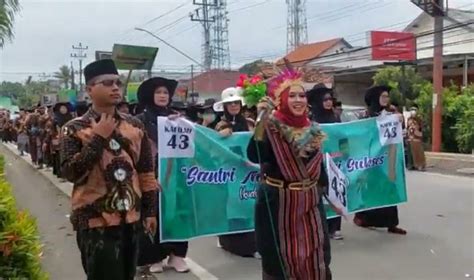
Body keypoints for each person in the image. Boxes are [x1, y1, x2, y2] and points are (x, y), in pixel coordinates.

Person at [60, 59, 158, 280]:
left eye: (117, 82)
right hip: (95, 222)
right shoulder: (74, 128)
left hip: (132, 219)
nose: (115, 87)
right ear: (89, 90)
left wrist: (150, 211)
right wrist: (99, 138)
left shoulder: (135, 126)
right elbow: (69, 172)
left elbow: (146, 171)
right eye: (107, 83)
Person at [247, 67, 331, 280]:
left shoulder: (313, 129)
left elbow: (318, 167)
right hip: (277, 202)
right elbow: (255, 155)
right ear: (282, 100)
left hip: (310, 203)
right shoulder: (272, 126)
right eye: (291, 95)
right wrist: (261, 120)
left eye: (301, 95)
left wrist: (325, 190)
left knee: (317, 254)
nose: (298, 100)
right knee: (279, 260)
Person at [135, 77, 190, 275]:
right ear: (152, 95)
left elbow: (190, 145)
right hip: (151, 174)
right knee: (153, 214)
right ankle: (154, 256)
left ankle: (177, 255)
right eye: (158, 92)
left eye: (166, 93)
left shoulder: (178, 119)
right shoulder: (141, 120)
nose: (162, 96)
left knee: (178, 213)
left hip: (176, 175)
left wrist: (181, 124)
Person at [353, 85, 407, 235]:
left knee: (390, 188)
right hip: (371, 161)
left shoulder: (391, 114)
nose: (386, 99)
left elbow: (396, 133)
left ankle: (391, 223)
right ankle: (363, 218)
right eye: (383, 96)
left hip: (387, 159)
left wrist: (399, 120)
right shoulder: (366, 117)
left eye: (387, 96)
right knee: (371, 190)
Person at [212, 87, 258, 258]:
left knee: (249, 204)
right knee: (233, 207)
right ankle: (231, 242)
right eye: (229, 103)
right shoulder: (220, 125)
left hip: (249, 170)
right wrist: (222, 136)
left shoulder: (250, 123)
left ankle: (253, 242)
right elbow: (214, 147)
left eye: (236, 103)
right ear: (224, 106)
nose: (233, 106)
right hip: (230, 173)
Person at [307, 84, 343, 241]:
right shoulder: (310, 119)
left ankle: (334, 228)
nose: (329, 102)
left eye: (330, 99)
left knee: (336, 192)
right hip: (316, 163)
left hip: (335, 161)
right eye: (325, 99)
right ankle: (319, 227)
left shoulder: (335, 117)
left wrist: (344, 152)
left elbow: (343, 136)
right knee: (319, 195)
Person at [407, 107, 426, 171]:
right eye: (412, 110)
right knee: (411, 153)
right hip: (410, 138)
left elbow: (422, 128)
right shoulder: (408, 119)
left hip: (417, 137)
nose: (413, 111)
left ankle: (420, 165)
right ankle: (411, 165)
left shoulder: (419, 119)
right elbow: (408, 127)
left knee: (419, 152)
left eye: (414, 110)